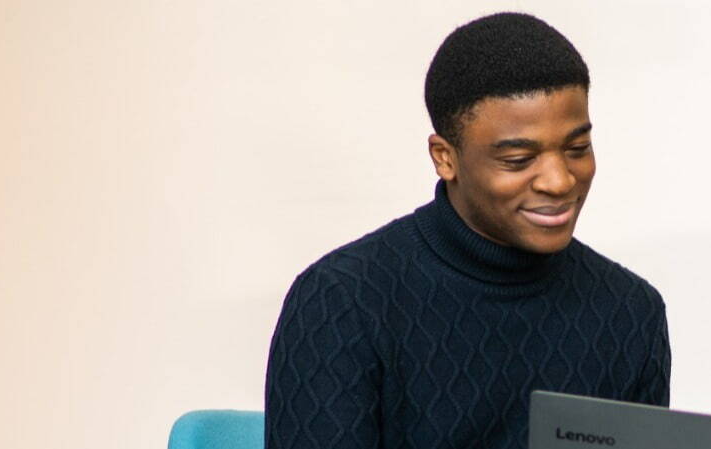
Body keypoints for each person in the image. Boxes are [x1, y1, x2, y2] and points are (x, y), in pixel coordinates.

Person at [264, 12, 669, 449]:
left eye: (577, 148)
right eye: (517, 160)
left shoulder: (631, 312)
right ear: (445, 158)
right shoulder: (341, 303)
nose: (559, 181)